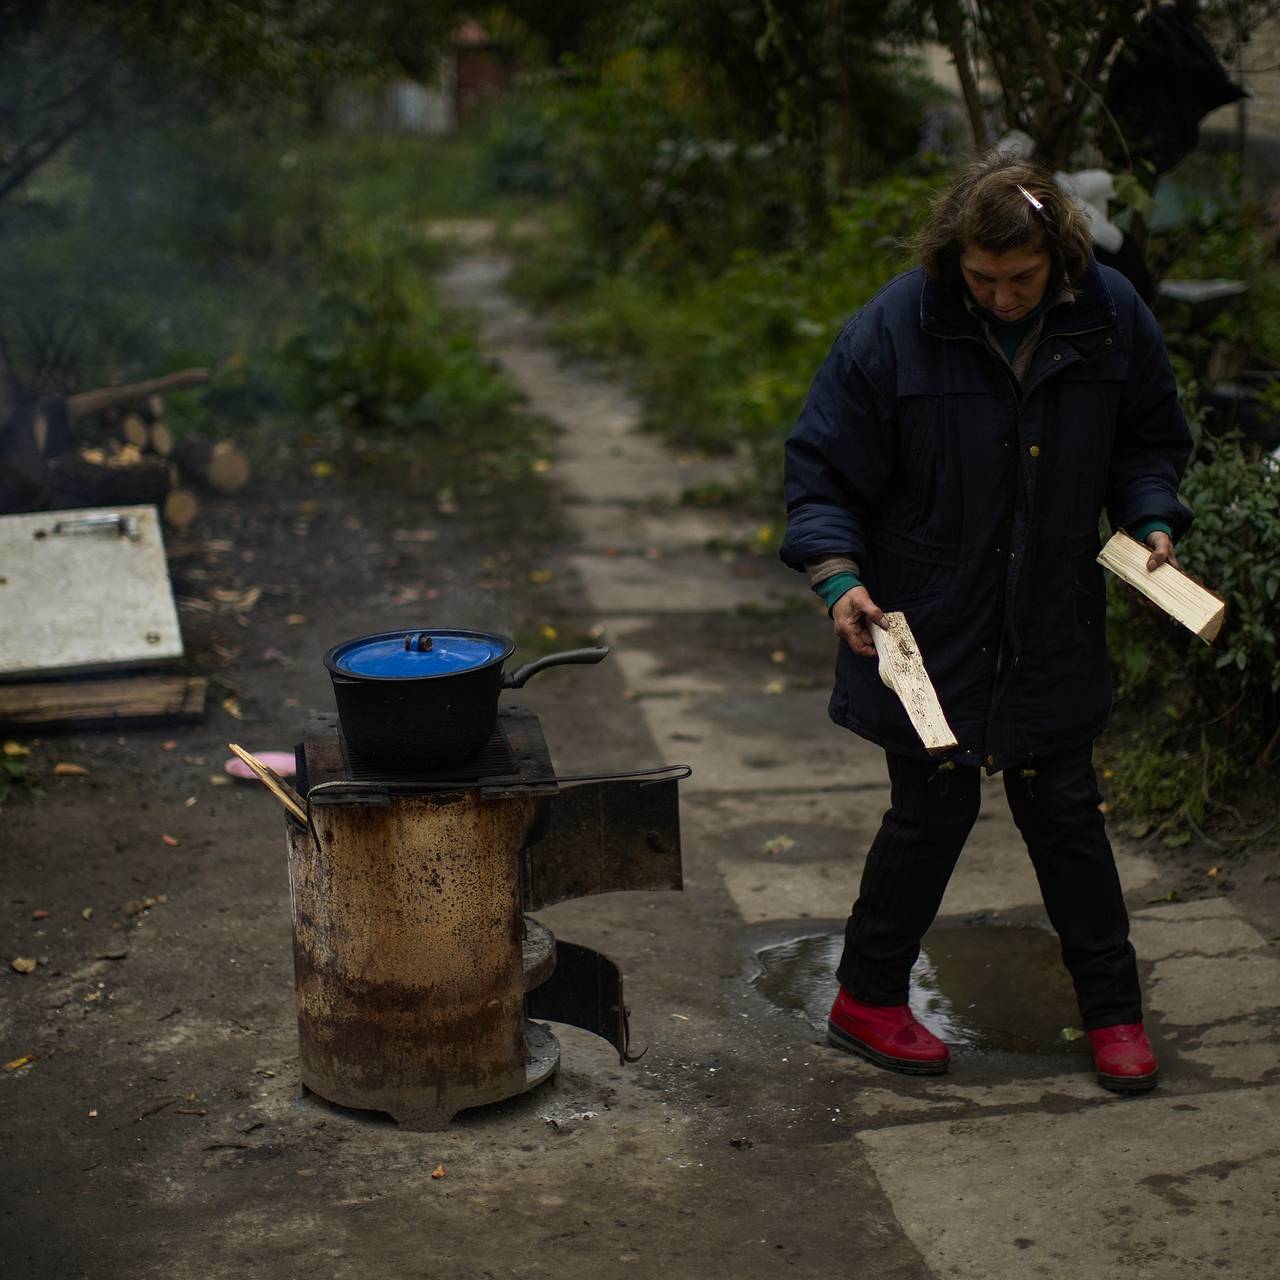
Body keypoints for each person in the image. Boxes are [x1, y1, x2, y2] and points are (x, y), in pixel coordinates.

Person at [780, 153, 1193, 1093]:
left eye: (1021, 280)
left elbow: (1148, 441)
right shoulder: (895, 325)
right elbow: (823, 474)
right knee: (932, 808)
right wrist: (838, 579)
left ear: (1059, 258)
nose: (1002, 298)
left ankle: (1115, 1016)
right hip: (922, 624)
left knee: (1065, 811)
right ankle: (867, 1000)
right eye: (981, 279)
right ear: (951, 259)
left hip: (1050, 614)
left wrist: (1152, 519)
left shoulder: (1110, 314)